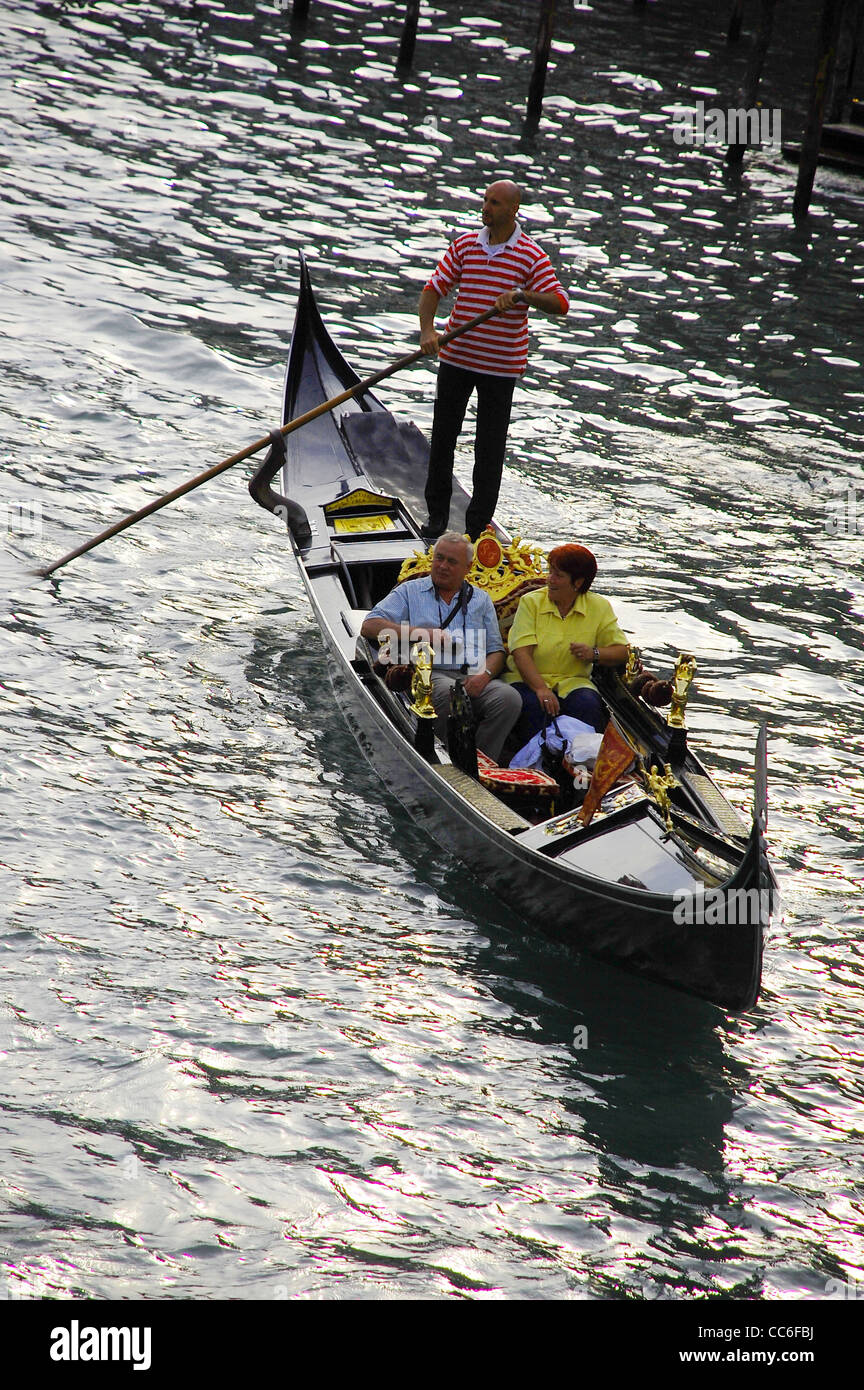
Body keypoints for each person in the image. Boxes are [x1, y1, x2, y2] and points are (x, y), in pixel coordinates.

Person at [419, 179, 569, 541]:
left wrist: (522, 295)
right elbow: (433, 289)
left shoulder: (531, 256)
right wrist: (427, 332)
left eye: (495, 203)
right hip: (456, 358)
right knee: (443, 439)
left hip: (500, 369)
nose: (486, 207)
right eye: (485, 200)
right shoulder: (466, 246)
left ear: (513, 210)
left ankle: (475, 528)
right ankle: (436, 518)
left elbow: (560, 304)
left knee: (489, 449)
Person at [360, 532, 521, 762]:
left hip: (473, 675)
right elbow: (370, 625)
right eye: (439, 558)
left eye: (451, 562)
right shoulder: (410, 591)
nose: (442, 566)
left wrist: (484, 676)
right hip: (429, 674)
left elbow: (496, 651)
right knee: (449, 692)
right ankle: (444, 758)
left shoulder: (481, 600)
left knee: (509, 698)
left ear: (468, 567)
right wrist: (423, 634)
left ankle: (481, 762)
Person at [504, 544, 629, 736]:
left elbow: (622, 652)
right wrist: (540, 689)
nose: (549, 580)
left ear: (578, 583)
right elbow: (521, 653)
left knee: (588, 706)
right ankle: (536, 761)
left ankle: (580, 761)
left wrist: (593, 653)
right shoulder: (531, 602)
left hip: (573, 683)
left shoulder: (599, 607)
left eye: (558, 575)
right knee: (536, 708)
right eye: (550, 572)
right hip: (524, 680)